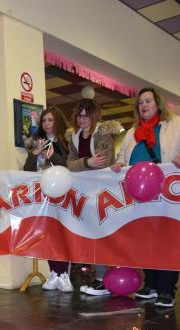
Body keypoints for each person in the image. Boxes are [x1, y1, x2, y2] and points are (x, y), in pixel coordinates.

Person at [111, 88, 180, 308]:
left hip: (166, 193)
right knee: (145, 239)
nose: (144, 105)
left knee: (167, 240)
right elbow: (121, 157)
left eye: (148, 101)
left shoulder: (177, 124)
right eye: (140, 102)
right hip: (138, 195)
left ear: (158, 103)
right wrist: (119, 164)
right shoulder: (132, 132)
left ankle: (166, 289)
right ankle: (151, 284)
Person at [67, 99, 121, 296]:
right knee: (92, 235)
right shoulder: (74, 136)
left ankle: (107, 278)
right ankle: (100, 278)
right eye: (79, 115)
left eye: (86, 115)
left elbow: (103, 161)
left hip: (104, 192)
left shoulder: (103, 133)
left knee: (106, 234)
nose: (82, 119)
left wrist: (83, 163)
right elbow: (69, 164)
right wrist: (87, 161)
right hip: (84, 192)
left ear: (94, 115)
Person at [23, 106, 73, 292]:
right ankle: (53, 273)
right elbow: (27, 171)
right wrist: (34, 155)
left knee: (62, 233)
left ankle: (64, 274)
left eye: (50, 120)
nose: (46, 123)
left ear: (57, 121)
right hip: (42, 194)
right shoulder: (37, 142)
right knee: (48, 233)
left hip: (62, 193)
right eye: (44, 120)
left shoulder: (65, 141)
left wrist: (53, 155)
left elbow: (69, 165)